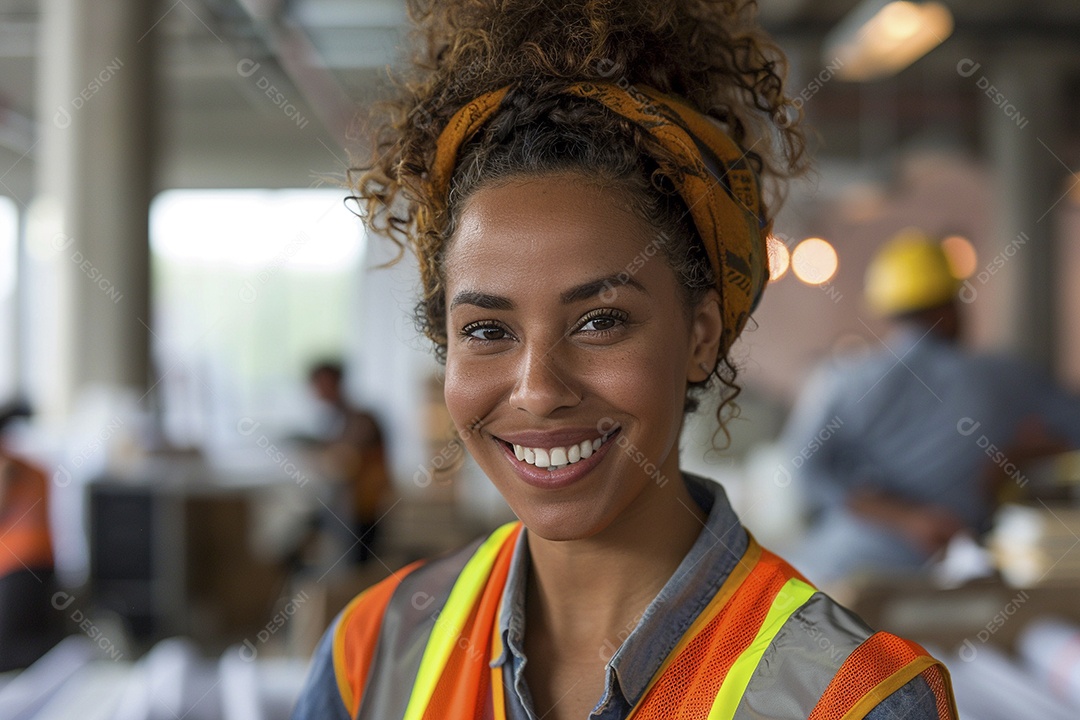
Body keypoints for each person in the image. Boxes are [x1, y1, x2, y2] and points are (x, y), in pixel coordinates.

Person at [291, 2, 958, 718]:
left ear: (702, 336)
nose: (539, 390)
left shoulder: (854, 700)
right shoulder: (372, 653)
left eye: (601, 322)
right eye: (487, 330)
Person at [782, 230, 1080, 586]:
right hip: (947, 577)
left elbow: (803, 472)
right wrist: (1021, 455)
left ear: (889, 310)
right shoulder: (1007, 381)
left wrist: (905, 517)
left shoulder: (844, 381)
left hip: (838, 569)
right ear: (951, 307)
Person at [0, 400, 65, 671]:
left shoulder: (10, 467)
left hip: (19, 564)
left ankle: (69, 656)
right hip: (42, 562)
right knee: (31, 635)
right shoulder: (36, 468)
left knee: (9, 648)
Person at [308, 361, 392, 564]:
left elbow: (346, 462)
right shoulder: (336, 421)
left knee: (357, 566)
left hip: (361, 509)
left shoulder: (361, 420)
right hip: (344, 507)